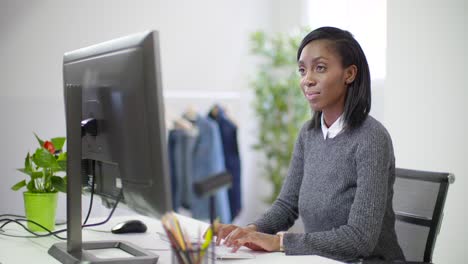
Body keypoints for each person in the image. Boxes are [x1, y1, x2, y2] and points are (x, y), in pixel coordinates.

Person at [213, 27, 405, 262]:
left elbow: (360, 239)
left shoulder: (371, 137)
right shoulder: (309, 133)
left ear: (350, 74)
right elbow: (286, 205)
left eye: (320, 68)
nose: (307, 80)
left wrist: (280, 242)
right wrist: (251, 230)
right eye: (302, 70)